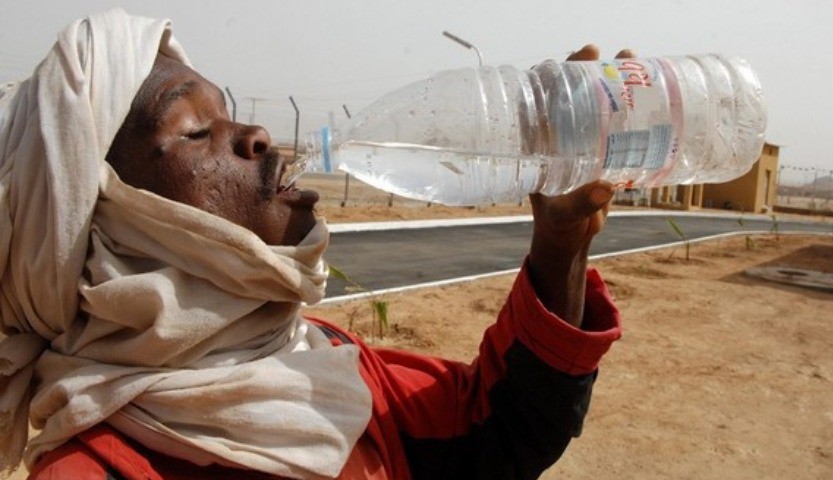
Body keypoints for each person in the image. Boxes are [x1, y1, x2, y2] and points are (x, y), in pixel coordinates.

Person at [0, 9, 622, 480]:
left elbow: (505, 429)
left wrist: (561, 242)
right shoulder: (95, 470)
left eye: (230, 111)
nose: (256, 135)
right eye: (192, 130)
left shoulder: (328, 364)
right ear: (113, 227)